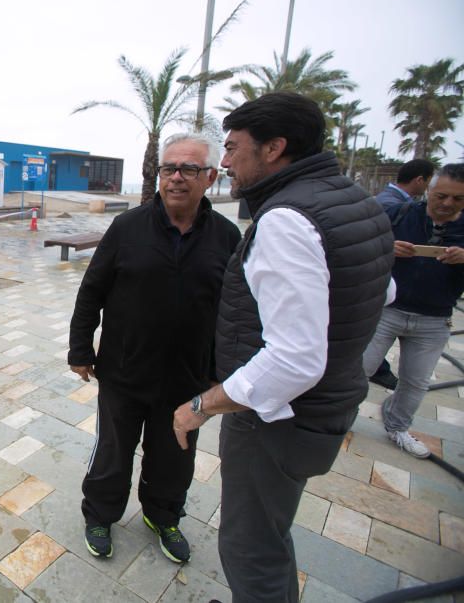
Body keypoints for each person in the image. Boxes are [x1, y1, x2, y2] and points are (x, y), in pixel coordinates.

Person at [171, 93, 394, 602]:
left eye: (231, 148)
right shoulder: (357, 202)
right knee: (270, 533)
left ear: (273, 148)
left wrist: (201, 406)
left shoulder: (287, 219)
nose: (223, 162)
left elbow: (294, 359)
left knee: (251, 548)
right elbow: (379, 293)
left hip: (277, 422)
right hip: (328, 409)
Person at [69, 133, 241, 564]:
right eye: (169, 169)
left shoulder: (226, 236)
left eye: (189, 169)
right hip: (124, 372)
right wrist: (79, 349)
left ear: (211, 177)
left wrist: (222, 371)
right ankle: (100, 515)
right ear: (159, 175)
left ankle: (163, 516)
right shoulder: (128, 228)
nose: (177, 178)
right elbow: (92, 290)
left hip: (188, 379)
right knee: (112, 453)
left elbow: (234, 311)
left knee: (175, 458)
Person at [362, 164, 464, 457]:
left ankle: (398, 426)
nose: (447, 204)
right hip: (387, 309)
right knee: (360, 368)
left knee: (416, 381)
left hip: (434, 318)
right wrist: (387, 247)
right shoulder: (400, 215)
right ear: (429, 190)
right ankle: (337, 417)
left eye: (457, 199)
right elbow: (363, 246)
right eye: (441, 195)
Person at [370, 159, 436, 388]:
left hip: (402, 298)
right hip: (387, 295)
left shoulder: (396, 202)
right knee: (364, 360)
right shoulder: (391, 204)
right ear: (421, 180)